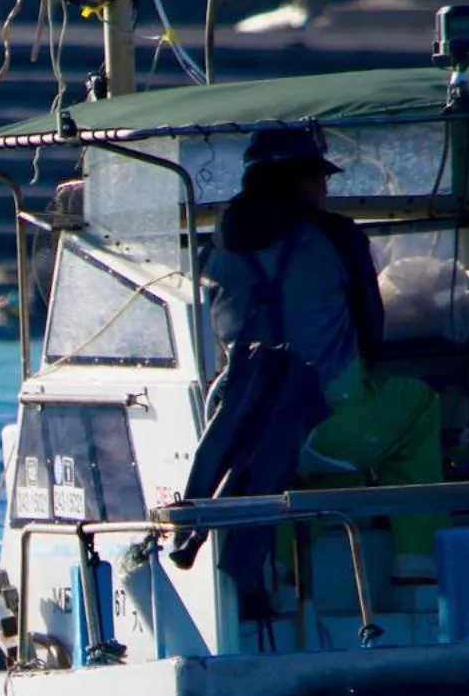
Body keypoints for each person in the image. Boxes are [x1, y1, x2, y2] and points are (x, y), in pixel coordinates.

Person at [173, 126, 442, 592]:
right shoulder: (335, 236)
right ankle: (416, 558)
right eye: (320, 177)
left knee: (294, 458)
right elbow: (370, 331)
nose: (325, 188)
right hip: (326, 421)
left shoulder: (217, 247)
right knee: (418, 407)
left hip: (247, 427)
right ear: (300, 181)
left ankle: (284, 569)